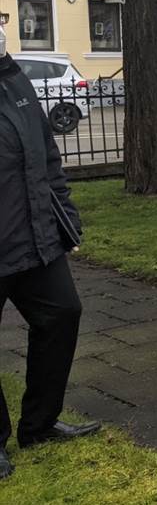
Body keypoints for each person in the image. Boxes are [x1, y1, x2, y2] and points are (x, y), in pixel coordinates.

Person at [0, 25, 101, 480]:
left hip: (32, 236)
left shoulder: (14, 78)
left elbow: (46, 153)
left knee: (62, 314)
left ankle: (39, 425)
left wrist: (65, 215)